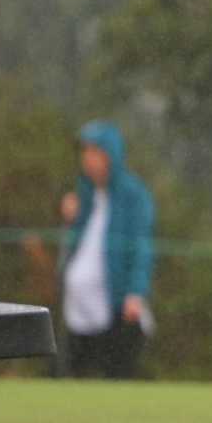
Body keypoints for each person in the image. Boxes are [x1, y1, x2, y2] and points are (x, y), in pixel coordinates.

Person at [60, 121, 156, 380]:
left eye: (95, 152)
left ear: (110, 155)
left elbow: (141, 247)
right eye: (85, 152)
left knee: (115, 375)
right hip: (79, 310)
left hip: (114, 306)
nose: (88, 159)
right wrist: (73, 218)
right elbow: (77, 245)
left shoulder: (132, 194)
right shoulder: (86, 194)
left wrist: (136, 292)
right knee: (72, 378)